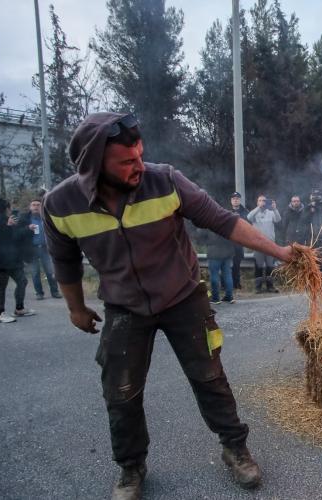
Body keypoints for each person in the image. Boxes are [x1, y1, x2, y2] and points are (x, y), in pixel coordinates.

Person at [42, 112, 293, 499]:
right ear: (94, 167)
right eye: (127, 162)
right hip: (124, 307)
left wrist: (278, 251)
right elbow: (65, 261)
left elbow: (223, 221)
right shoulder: (60, 205)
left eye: (140, 155)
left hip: (183, 298)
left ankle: (235, 448)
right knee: (120, 392)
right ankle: (130, 468)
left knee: (210, 378)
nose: (139, 165)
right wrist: (76, 308)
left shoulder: (166, 180)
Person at [0, 195, 37, 323]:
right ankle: (0, 314)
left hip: (11, 260)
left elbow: (14, 237)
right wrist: (9, 227)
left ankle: (19, 308)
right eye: (9, 207)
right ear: (5, 208)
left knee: (22, 281)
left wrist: (13, 226)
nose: (11, 210)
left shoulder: (5, 219)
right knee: (1, 286)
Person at [21, 198, 62, 299]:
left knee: (50, 271)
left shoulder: (47, 217)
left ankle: (55, 292)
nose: (35, 207)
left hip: (46, 249)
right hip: (32, 249)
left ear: (42, 207)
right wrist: (27, 228)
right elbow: (17, 234)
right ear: (30, 207)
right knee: (35, 273)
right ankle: (39, 293)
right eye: (33, 205)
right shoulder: (24, 219)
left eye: (38, 205)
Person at [247, 195, 281, 293]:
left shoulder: (271, 213)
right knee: (259, 265)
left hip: (270, 243)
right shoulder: (255, 213)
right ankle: (258, 287)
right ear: (257, 202)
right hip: (258, 244)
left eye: (263, 201)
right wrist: (259, 207)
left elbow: (278, 220)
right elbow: (248, 217)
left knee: (270, 265)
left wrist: (275, 209)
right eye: (260, 200)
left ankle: (270, 286)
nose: (262, 202)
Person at [299, 188, 322, 276]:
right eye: (314, 196)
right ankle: (315, 277)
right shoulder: (308, 208)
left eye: (317, 196)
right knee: (313, 259)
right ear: (311, 197)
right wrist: (310, 210)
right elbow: (302, 221)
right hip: (312, 239)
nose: (316, 198)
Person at [200, 228, 236, 304]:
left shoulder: (209, 223)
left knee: (214, 275)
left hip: (214, 253)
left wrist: (207, 242)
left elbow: (201, 236)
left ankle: (215, 298)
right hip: (227, 251)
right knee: (227, 274)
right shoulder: (226, 221)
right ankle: (229, 297)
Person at [228, 192, 249, 290]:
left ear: (240, 200)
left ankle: (236, 284)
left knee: (236, 265)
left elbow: (249, 226)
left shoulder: (245, 212)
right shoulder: (226, 211)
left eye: (237, 198)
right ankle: (227, 285)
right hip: (228, 243)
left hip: (239, 243)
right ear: (231, 201)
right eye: (233, 199)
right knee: (227, 266)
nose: (235, 200)